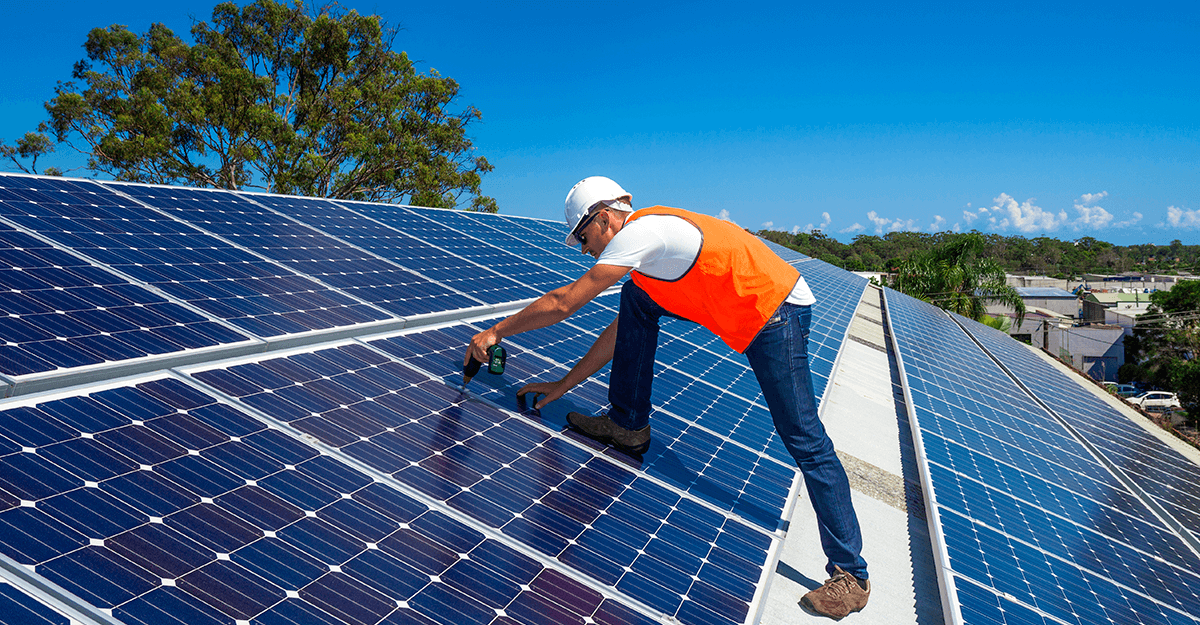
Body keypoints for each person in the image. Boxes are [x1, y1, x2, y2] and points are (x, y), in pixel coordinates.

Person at [464, 176, 870, 619]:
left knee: (803, 437)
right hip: (745, 308)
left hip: (774, 312)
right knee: (636, 301)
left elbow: (565, 303)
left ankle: (852, 574)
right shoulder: (648, 262)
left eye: (583, 237)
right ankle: (628, 425)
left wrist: (495, 331)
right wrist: (563, 385)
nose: (584, 248)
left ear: (603, 218)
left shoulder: (643, 232)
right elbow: (619, 333)